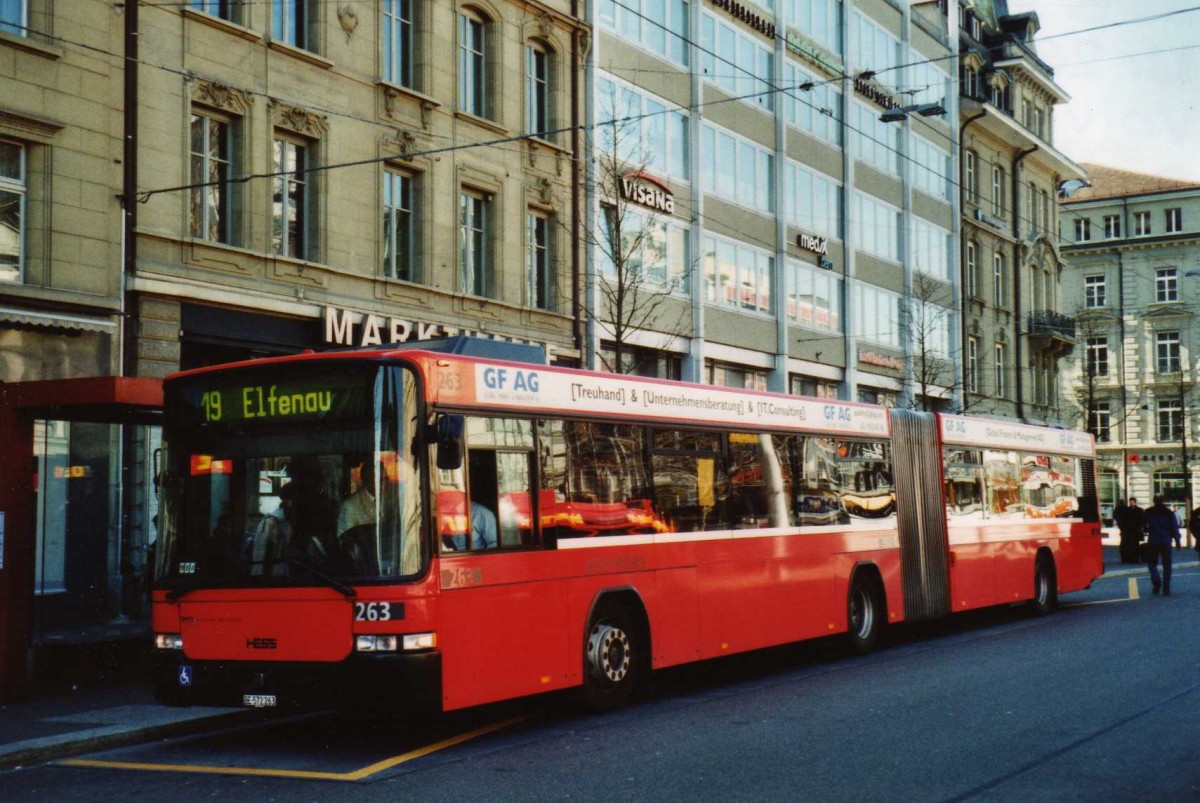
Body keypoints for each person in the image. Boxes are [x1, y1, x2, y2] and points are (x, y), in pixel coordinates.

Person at [1143, 494, 1177, 596]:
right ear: (1163, 501)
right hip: (1166, 540)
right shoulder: (1169, 513)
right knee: (1167, 565)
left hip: (1153, 540)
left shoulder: (1148, 512)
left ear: (1153, 501)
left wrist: (1147, 530)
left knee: (1152, 563)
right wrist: (1178, 540)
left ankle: (1156, 581)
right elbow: (1174, 527)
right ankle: (1166, 588)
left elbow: (1144, 525)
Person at [1114, 497, 1145, 564]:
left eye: (1132, 502)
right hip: (1128, 530)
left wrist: (1141, 528)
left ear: (1135, 502)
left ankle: (1134, 559)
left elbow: (1142, 521)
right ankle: (1129, 559)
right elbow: (1122, 520)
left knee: (1134, 545)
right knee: (1128, 545)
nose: (1131, 503)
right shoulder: (1127, 511)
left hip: (1135, 531)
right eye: (1130, 502)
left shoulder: (1139, 511)